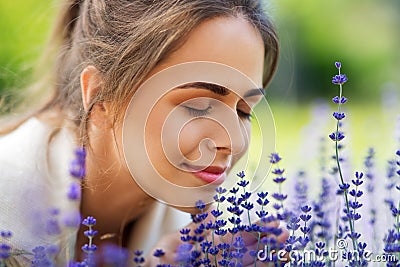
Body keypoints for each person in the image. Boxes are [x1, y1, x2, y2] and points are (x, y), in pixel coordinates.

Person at [0, 0, 286, 266]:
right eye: (198, 107)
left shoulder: (202, 243)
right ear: (101, 99)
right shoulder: (7, 212)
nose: (233, 142)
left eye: (244, 111)